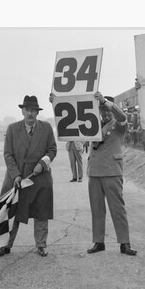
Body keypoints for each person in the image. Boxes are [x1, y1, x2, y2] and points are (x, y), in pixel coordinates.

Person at [49, 92, 137, 256]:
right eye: (102, 110)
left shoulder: (119, 126)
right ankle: (99, 241)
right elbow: (72, 122)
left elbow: (123, 116)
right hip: (95, 171)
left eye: (107, 109)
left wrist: (106, 102)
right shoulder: (92, 126)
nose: (105, 113)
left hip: (112, 172)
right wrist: (57, 103)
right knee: (97, 209)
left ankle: (125, 243)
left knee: (117, 209)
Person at [0, 95, 57, 258]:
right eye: (27, 110)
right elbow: (8, 154)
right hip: (17, 178)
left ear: (37, 112)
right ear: (22, 111)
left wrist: (42, 164)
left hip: (39, 178)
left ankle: (41, 245)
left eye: (33, 111)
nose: (30, 113)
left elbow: (52, 150)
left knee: (41, 211)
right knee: (11, 211)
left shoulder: (46, 128)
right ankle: (5, 245)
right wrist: (15, 175)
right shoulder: (13, 129)